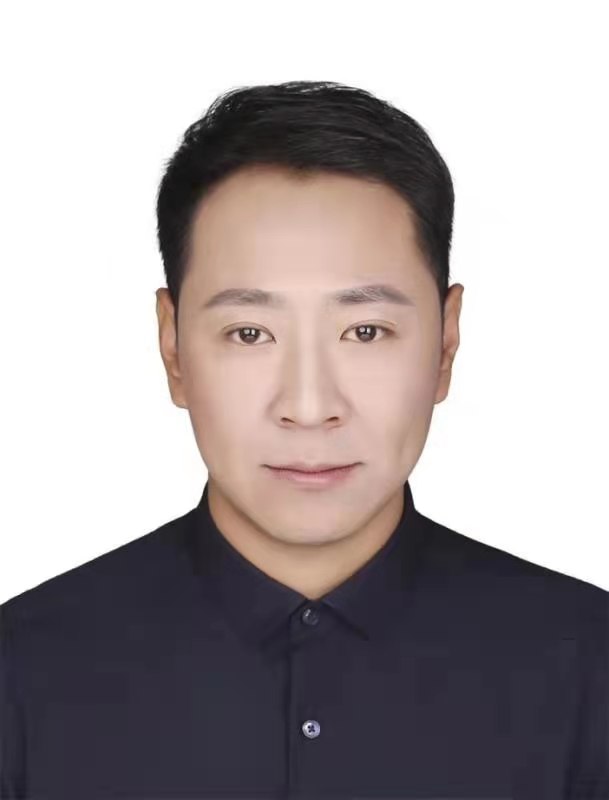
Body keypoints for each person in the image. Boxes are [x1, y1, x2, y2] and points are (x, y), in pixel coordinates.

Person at [1, 80, 607, 800]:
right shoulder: (22, 673)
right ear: (172, 349)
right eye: (249, 333)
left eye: (365, 331)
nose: (310, 407)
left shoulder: (588, 668)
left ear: (445, 344)